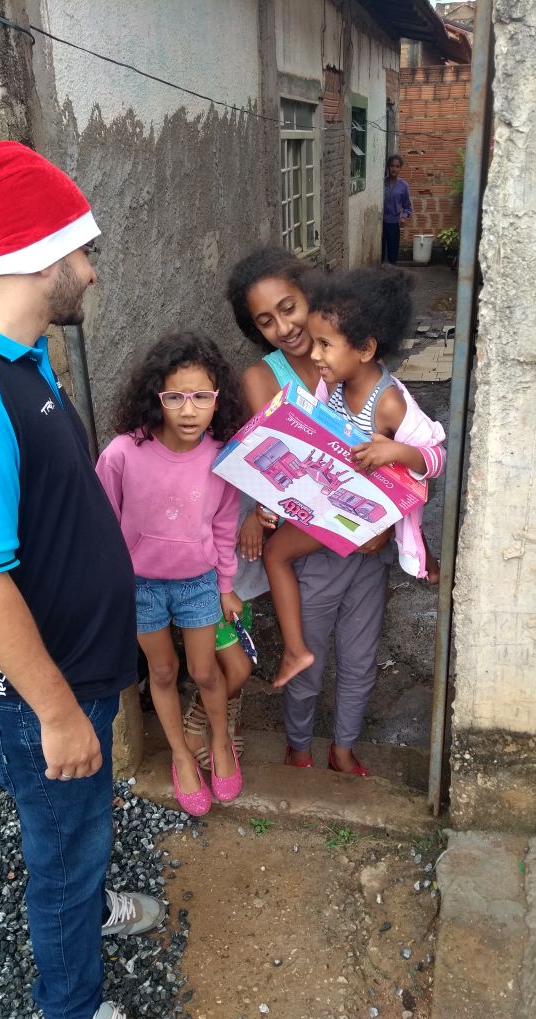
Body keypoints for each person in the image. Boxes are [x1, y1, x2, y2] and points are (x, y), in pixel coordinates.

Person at [0, 141, 167, 1019]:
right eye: (85, 252)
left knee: (77, 831)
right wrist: (54, 712)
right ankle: (74, 1015)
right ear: (42, 256)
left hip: (74, 672)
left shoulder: (19, 356)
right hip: (40, 697)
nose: (91, 272)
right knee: (60, 856)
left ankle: (86, 909)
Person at [264, 267, 446, 772]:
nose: (315, 355)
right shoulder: (333, 389)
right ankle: (299, 746)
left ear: (365, 349)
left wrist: (396, 451)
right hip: (324, 549)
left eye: (325, 344)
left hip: (370, 554)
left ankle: (342, 748)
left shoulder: (390, 402)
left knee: (360, 658)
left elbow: (436, 457)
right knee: (309, 658)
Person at [181, 246, 323, 762]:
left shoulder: (343, 354)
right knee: (239, 612)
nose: (283, 327)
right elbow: (272, 459)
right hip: (270, 505)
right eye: (266, 321)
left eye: (289, 308)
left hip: (322, 515)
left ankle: (228, 707)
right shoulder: (262, 377)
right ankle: (218, 711)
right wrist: (258, 515)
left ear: (311, 295)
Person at [96, 332, 245, 817]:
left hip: (199, 582)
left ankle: (219, 741)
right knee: (162, 671)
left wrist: (227, 586)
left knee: (204, 671)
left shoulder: (221, 457)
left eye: (201, 396)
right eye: (175, 397)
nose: (188, 409)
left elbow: (224, 526)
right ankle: (181, 754)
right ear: (155, 397)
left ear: (218, 399)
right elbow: (102, 523)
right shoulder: (122, 453)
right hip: (140, 587)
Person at [382, 154, 413, 265]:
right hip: (380, 223)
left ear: (400, 168)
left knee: (392, 255)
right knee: (380, 253)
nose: (394, 169)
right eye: (392, 166)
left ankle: (392, 273)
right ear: (388, 167)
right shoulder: (381, 183)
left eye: (397, 166)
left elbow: (408, 207)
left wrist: (404, 217)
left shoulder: (403, 186)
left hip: (394, 224)